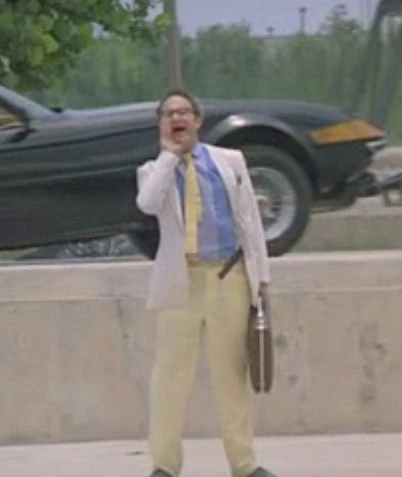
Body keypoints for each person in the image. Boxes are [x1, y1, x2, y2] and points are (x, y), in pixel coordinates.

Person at [135, 88, 275, 477]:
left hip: (228, 276)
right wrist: (169, 156)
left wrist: (261, 278)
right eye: (168, 114)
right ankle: (164, 465)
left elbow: (250, 222)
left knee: (231, 375)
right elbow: (148, 203)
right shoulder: (153, 170)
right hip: (181, 282)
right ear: (161, 124)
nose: (177, 118)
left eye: (183, 112)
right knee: (170, 377)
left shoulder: (229, 161)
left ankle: (244, 464)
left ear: (197, 120)